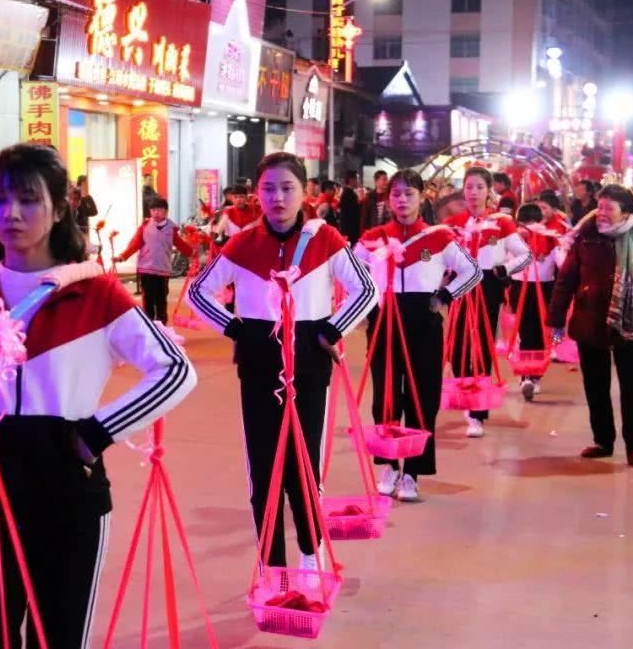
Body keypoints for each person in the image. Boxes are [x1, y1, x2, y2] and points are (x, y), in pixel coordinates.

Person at [0, 143, 196, 647]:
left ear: (58, 209)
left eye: (28, 199)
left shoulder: (96, 295)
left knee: (60, 636)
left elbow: (174, 370)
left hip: (71, 494)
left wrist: (95, 434)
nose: (11, 213)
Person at [187, 151, 377, 570]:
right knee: (263, 465)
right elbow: (198, 293)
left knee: (304, 462)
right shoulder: (243, 243)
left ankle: (311, 554)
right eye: (268, 188)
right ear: (257, 194)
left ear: (304, 191)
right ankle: (271, 563)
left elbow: (366, 290)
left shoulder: (324, 239)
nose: (277, 197)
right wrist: (236, 329)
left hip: (309, 357)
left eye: (287, 188)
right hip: (258, 358)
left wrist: (330, 330)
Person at [354, 169, 481, 501]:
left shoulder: (438, 237)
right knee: (385, 395)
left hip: (424, 323)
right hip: (385, 322)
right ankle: (389, 463)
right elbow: (351, 270)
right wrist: (368, 305)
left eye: (409, 194)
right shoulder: (374, 235)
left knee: (422, 397)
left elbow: (473, 271)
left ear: (423, 197)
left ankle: (412, 472)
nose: (401, 200)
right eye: (395, 194)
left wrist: (444, 297)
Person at [547, 185, 633, 467]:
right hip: (590, 320)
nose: (600, 213)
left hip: (630, 326)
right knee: (595, 385)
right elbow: (566, 279)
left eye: (608, 208)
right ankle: (603, 440)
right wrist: (556, 318)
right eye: (599, 207)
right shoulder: (585, 237)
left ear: (625, 211)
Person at [443, 167, 532, 437]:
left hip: (488, 288)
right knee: (457, 348)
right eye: (469, 187)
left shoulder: (501, 223)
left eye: (480, 187)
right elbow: (438, 256)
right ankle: (466, 397)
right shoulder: (452, 223)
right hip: (459, 288)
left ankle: (478, 413)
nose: (474, 193)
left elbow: (524, 255)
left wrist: (504, 270)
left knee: (482, 345)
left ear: (489, 191)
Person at [510, 203, 565, 400]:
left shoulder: (515, 238)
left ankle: (528, 377)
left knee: (527, 334)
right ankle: (532, 377)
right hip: (541, 289)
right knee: (538, 334)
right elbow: (563, 264)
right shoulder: (550, 239)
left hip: (524, 290)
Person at [115, 196, 194, 324]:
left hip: (162, 270)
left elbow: (181, 245)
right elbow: (135, 243)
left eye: (159, 210)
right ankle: (149, 325)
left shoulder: (171, 229)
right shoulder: (145, 226)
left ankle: (162, 326)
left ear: (166, 212)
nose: (155, 213)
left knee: (161, 299)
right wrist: (122, 256)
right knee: (148, 299)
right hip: (146, 269)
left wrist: (192, 252)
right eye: (153, 210)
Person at [339, 170, 363, 245]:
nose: (358, 181)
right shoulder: (348, 194)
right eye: (357, 179)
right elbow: (351, 214)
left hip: (349, 230)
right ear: (351, 180)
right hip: (350, 231)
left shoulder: (349, 193)